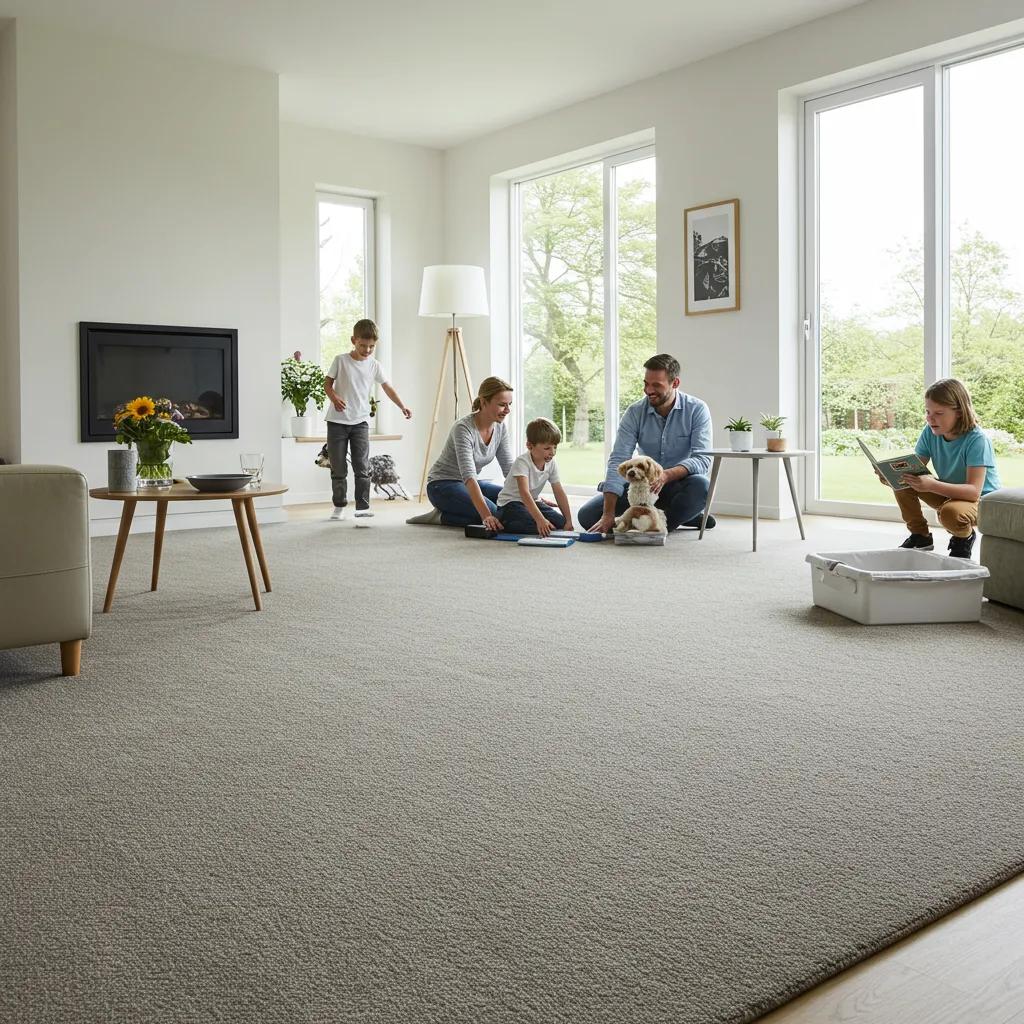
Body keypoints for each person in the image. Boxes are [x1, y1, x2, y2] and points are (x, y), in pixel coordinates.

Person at [578, 353, 714, 535]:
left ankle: (659, 524)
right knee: (587, 516)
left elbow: (702, 459)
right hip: (642, 487)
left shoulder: (697, 409)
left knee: (701, 487)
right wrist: (607, 513)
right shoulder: (635, 412)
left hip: (678, 485)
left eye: (656, 385)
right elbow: (619, 458)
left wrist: (666, 475)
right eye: (646, 384)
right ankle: (683, 516)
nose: (649, 390)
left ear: (675, 383)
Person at [887, 378, 1001, 559]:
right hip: (949, 493)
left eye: (938, 413)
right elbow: (916, 466)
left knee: (951, 513)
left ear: (959, 413)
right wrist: (891, 473)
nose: (930, 418)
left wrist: (931, 485)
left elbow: (973, 492)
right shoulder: (930, 432)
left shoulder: (977, 440)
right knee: (902, 482)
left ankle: (964, 538)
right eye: (927, 411)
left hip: (980, 502)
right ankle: (920, 536)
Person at [324, 319, 411, 522]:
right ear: (354, 340)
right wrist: (334, 397)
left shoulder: (374, 365)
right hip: (337, 422)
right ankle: (339, 506)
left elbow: (388, 388)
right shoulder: (341, 360)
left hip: (360, 423)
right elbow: (327, 384)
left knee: (361, 467)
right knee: (338, 467)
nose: (367, 349)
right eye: (363, 345)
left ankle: (362, 507)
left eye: (371, 346)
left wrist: (402, 406)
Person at [424, 377, 514, 529]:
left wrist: (530, 496)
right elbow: (469, 475)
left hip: (469, 484)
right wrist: (486, 516)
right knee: (492, 513)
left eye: (509, 405)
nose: (507, 410)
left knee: (512, 503)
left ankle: (455, 513)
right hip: (441, 485)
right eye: (502, 405)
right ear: (484, 402)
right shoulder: (463, 428)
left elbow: (509, 469)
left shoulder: (500, 428)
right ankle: (441, 517)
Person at [496, 418, 574, 537]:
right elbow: (524, 493)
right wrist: (540, 519)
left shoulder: (551, 463)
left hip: (532, 502)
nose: (552, 452)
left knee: (560, 523)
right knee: (537, 525)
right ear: (530, 446)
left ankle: (534, 519)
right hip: (510, 504)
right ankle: (504, 521)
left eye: (555, 447)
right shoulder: (522, 462)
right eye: (547, 448)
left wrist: (568, 521)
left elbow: (559, 491)